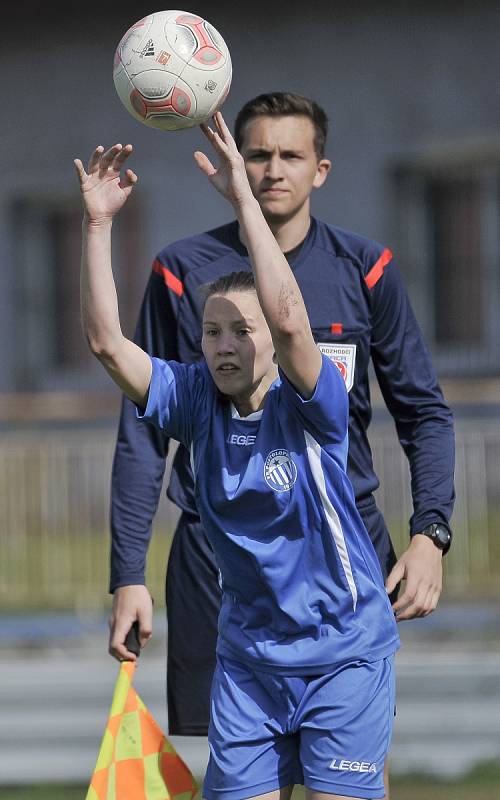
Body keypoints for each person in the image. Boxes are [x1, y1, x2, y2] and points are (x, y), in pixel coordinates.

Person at [108, 93, 455, 796]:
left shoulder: (366, 268)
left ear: (320, 168)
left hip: (344, 549)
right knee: (241, 777)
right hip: (221, 562)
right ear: (237, 159)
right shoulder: (183, 269)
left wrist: (430, 533)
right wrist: (128, 572)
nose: (272, 170)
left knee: (350, 777)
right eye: (258, 154)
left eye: (289, 155)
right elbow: (144, 430)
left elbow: (424, 411)